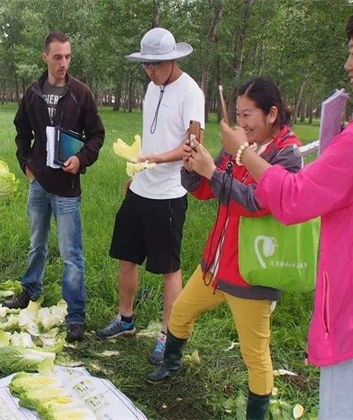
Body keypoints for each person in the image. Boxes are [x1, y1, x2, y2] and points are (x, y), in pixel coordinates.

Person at [219, 12, 353, 418]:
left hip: (349, 318)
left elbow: (290, 198)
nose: (349, 65)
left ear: (272, 114)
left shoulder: (288, 151)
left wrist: (238, 154)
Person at [147, 77, 302, 420]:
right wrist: (192, 168)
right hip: (214, 264)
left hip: (251, 272)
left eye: (248, 115)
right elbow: (207, 189)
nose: (242, 123)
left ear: (272, 113)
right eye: (239, 114)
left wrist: (214, 170)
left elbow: (256, 202)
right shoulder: (240, 143)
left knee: (256, 354)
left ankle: (256, 415)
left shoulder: (287, 155)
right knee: (181, 312)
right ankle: (170, 364)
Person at [96, 28, 204, 366]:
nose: (148, 71)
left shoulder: (191, 93)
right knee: (126, 256)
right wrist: (138, 171)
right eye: (145, 65)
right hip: (142, 187)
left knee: (168, 267)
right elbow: (152, 136)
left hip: (169, 194)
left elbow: (193, 145)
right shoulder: (150, 86)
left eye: (154, 65)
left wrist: (156, 160)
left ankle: (167, 335)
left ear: (172, 60)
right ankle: (125, 319)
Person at [3, 31, 105, 343]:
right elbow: (21, 131)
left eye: (68, 56)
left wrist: (81, 159)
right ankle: (30, 292)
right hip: (39, 185)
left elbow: (97, 135)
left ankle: (75, 316)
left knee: (71, 253)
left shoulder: (80, 93)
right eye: (57, 56)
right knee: (37, 243)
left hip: (66, 188)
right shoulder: (33, 92)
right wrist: (25, 164)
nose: (63, 63)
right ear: (45, 57)